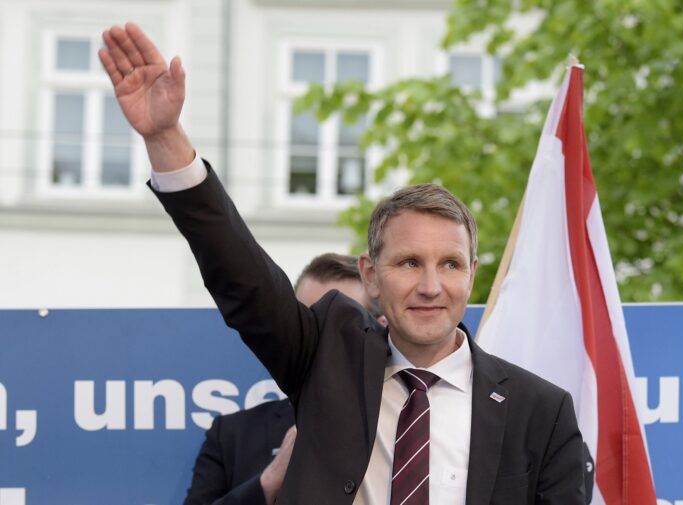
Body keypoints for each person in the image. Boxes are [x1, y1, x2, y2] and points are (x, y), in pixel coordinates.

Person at [99, 22, 585, 504]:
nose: (431, 286)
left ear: (472, 274)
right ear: (371, 274)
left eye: (451, 265)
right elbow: (243, 277)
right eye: (409, 263)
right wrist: (165, 138)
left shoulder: (541, 412)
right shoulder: (326, 359)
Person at [185, 253, 383, 505]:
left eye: (338, 326)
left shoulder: (410, 426)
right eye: (305, 323)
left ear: (380, 329)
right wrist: (269, 481)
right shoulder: (233, 435)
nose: (318, 340)